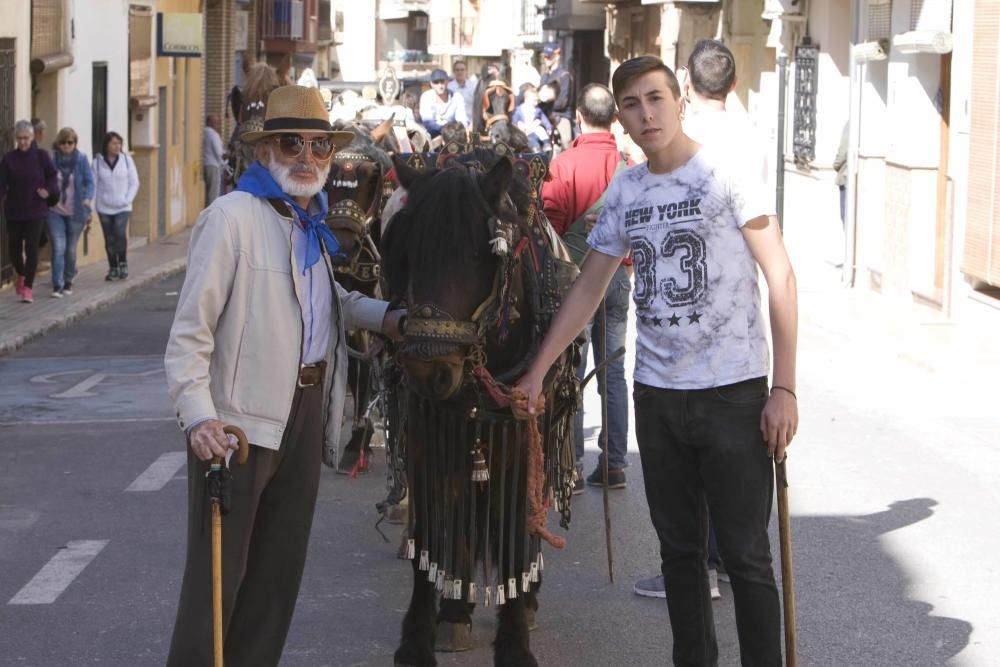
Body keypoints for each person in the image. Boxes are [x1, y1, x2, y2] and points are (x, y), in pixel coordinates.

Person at [512, 56, 798, 667]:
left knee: (746, 555)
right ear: (621, 118)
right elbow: (589, 286)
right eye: (633, 105)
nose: (647, 114)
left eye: (656, 98)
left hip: (734, 392)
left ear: (679, 100)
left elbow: (779, 275)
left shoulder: (726, 172)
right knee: (679, 553)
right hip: (659, 397)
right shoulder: (626, 189)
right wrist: (537, 370)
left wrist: (786, 388)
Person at [163, 85, 404, 667]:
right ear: (266, 149)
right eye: (292, 142)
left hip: (304, 412)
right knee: (215, 588)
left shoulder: (308, 224)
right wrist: (199, 417)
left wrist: (393, 318)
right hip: (237, 427)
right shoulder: (231, 219)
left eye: (321, 145)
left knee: (276, 579)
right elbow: (188, 337)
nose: (308, 157)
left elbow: (332, 302)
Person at [634, 39, 762, 602]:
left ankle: (700, 568)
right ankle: (718, 562)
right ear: (732, 86)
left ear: (683, 90)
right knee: (742, 536)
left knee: (688, 513)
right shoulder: (751, 134)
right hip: (732, 345)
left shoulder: (696, 149)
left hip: (697, 361)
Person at [541, 83, 631, 493]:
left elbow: (550, 224)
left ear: (578, 116)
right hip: (618, 279)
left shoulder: (565, 163)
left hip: (576, 280)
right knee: (613, 371)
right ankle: (613, 464)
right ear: (615, 117)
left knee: (569, 374)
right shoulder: (630, 166)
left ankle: (570, 466)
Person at [0, 119, 58, 303]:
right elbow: (1, 184)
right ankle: (21, 274)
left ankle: (28, 288)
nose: (23, 142)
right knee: (14, 249)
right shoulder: (9, 159)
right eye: (20, 138)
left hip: (36, 209)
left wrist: (47, 190)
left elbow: (52, 176)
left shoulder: (41, 156)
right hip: (15, 210)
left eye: (26, 138)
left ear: (32, 137)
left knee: (32, 248)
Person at [46, 127, 95, 298]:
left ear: (75, 143)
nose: (66, 146)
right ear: (58, 143)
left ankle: (68, 281)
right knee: (59, 247)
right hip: (55, 211)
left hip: (76, 212)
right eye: (63, 142)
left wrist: (88, 198)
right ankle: (57, 285)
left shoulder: (81, 159)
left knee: (71, 249)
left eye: (70, 142)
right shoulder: (51, 159)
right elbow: (44, 179)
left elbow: (90, 182)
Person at [92, 131, 139, 281]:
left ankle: (123, 263)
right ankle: (113, 267)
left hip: (122, 206)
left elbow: (134, 182)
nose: (116, 146)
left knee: (119, 233)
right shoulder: (97, 163)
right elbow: (93, 185)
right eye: (113, 143)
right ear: (106, 145)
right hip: (104, 206)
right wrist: (92, 206)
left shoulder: (126, 160)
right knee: (109, 238)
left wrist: (127, 198)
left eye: (119, 143)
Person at [539, 43, 574, 151]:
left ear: (557, 56)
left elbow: (562, 102)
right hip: (544, 114)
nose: (546, 59)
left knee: (566, 143)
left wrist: (545, 103)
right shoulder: (544, 76)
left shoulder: (564, 75)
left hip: (561, 115)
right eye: (545, 56)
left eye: (549, 56)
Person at [420, 68, 469, 137]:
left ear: (447, 82)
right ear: (431, 84)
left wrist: (454, 131)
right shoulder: (426, 96)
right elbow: (427, 121)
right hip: (432, 135)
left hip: (453, 135)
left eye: (442, 82)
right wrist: (444, 129)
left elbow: (462, 120)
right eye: (436, 82)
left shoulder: (457, 96)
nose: (440, 86)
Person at [512, 84, 553, 153]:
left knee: (541, 131)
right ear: (526, 99)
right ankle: (535, 147)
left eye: (537, 101)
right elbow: (514, 119)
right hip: (525, 129)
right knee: (530, 138)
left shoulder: (537, 110)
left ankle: (546, 144)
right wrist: (517, 126)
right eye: (534, 101)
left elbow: (544, 119)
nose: (536, 103)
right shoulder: (519, 109)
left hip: (535, 127)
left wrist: (549, 127)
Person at [203, 114, 225, 206]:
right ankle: (211, 215)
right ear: (209, 122)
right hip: (214, 165)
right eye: (215, 122)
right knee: (213, 194)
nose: (217, 125)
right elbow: (219, 152)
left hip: (205, 164)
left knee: (207, 193)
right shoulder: (213, 134)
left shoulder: (204, 132)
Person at [447, 59, 477, 125]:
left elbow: (477, 106)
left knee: (476, 135)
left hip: (472, 124)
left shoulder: (473, 87)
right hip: (454, 126)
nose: (460, 72)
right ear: (454, 71)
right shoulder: (449, 87)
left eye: (462, 70)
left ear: (466, 71)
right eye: (457, 70)